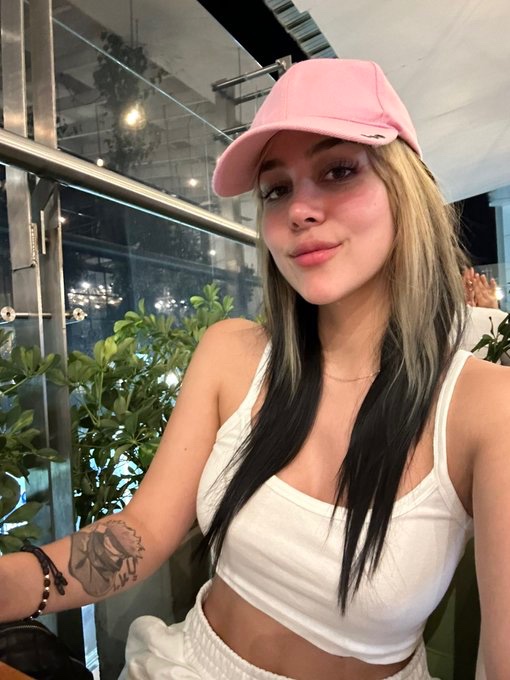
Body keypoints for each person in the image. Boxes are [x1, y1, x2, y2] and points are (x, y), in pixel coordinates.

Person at [1, 58, 509, 680]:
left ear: (406, 191)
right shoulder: (231, 353)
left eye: (339, 170)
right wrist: (10, 584)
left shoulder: (487, 408)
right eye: (276, 189)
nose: (300, 210)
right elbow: (140, 533)